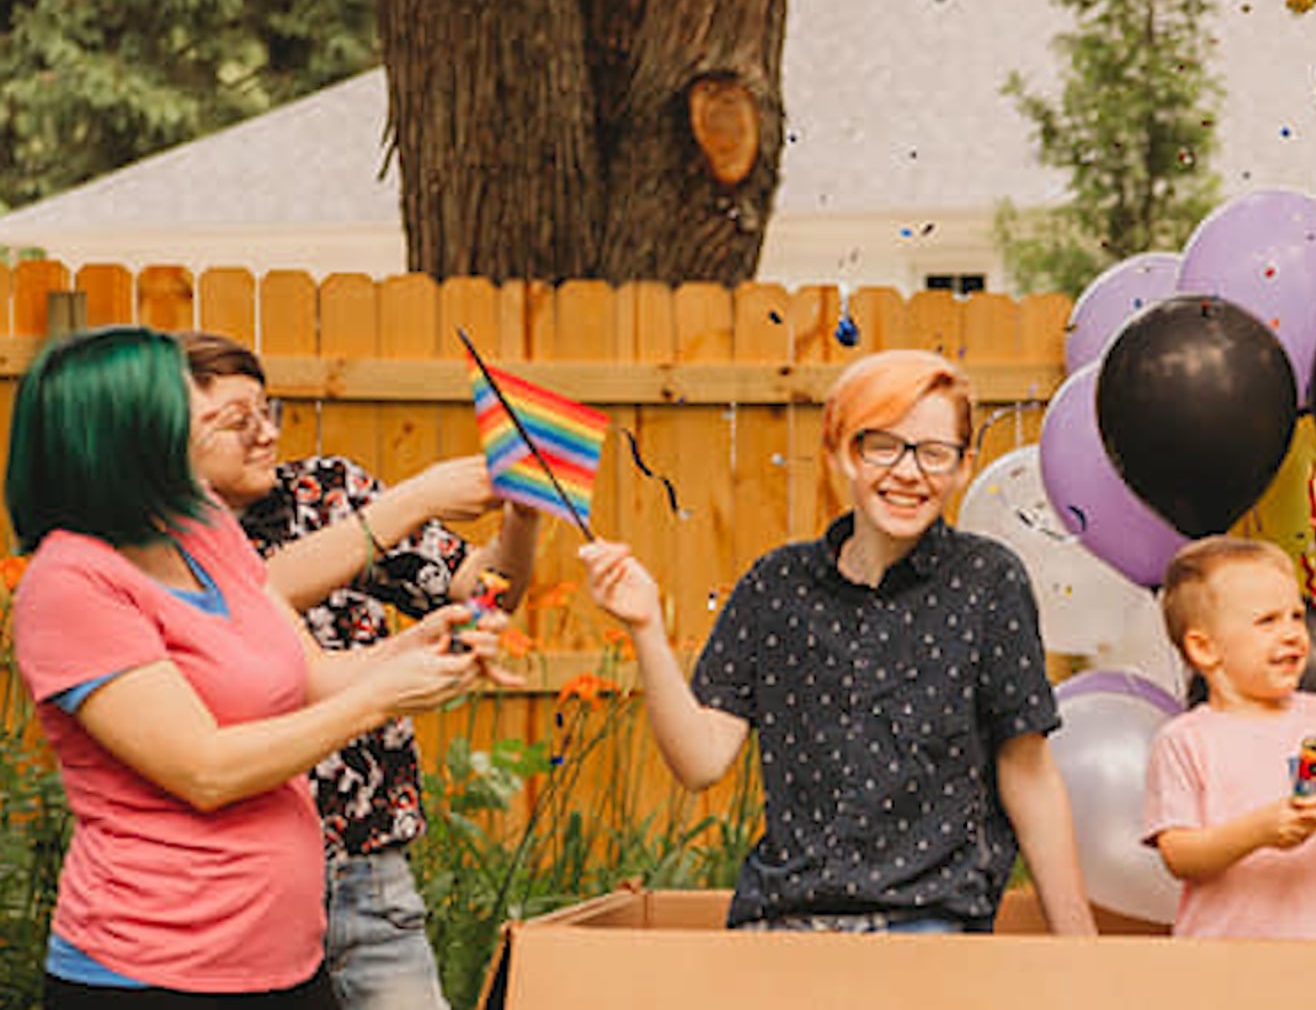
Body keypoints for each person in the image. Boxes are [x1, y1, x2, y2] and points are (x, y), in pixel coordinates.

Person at [6, 326, 514, 1008]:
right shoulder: (71, 583)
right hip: (156, 974)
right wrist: (383, 699)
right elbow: (206, 771)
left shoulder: (202, 530)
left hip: (285, 960)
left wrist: (422, 645)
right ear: (121, 429)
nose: (228, 424)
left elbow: (311, 678)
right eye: (184, 401)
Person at [579, 348, 1097, 935]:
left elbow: (1029, 774)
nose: (909, 472)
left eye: (933, 452)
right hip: (781, 924)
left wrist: (1082, 952)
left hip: (928, 926)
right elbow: (700, 762)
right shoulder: (775, 586)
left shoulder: (988, 581)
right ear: (839, 452)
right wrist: (646, 628)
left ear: (962, 466)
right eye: (883, 446)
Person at [177, 331, 540, 1010]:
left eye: (267, 411)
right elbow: (253, 592)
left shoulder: (329, 492)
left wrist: (523, 520)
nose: (267, 434)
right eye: (238, 421)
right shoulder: (162, 543)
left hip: (370, 876)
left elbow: (481, 589)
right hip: (237, 883)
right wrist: (414, 498)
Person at [1140, 536, 1316, 940]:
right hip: (1220, 958)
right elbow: (1180, 854)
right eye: (1268, 621)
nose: (1293, 633)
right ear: (1205, 649)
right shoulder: (1184, 740)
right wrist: (1260, 831)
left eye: (1296, 616)